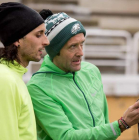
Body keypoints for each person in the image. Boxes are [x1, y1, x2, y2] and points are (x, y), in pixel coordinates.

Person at [27, 10, 139, 140]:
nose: (81, 53)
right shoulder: (38, 87)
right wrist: (122, 124)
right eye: (73, 46)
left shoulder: (91, 71)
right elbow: (66, 137)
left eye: (82, 44)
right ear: (54, 51)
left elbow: (103, 123)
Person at [0, 3, 49, 140]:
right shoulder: (4, 79)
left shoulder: (13, 76)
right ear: (17, 39)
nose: (46, 42)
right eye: (39, 35)